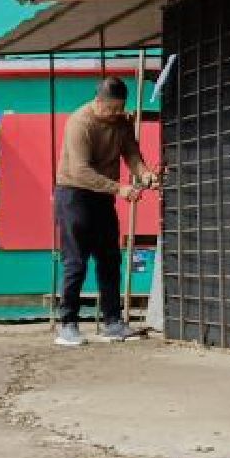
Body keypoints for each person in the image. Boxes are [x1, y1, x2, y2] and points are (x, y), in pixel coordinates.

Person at [53, 77, 157, 346]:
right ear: (98, 102)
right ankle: (67, 325)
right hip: (74, 193)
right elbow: (81, 172)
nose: (115, 114)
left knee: (110, 258)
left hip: (103, 196)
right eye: (111, 109)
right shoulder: (80, 123)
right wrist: (119, 189)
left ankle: (112, 321)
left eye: (120, 108)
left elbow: (132, 154)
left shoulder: (121, 122)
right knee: (76, 261)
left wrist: (145, 175)